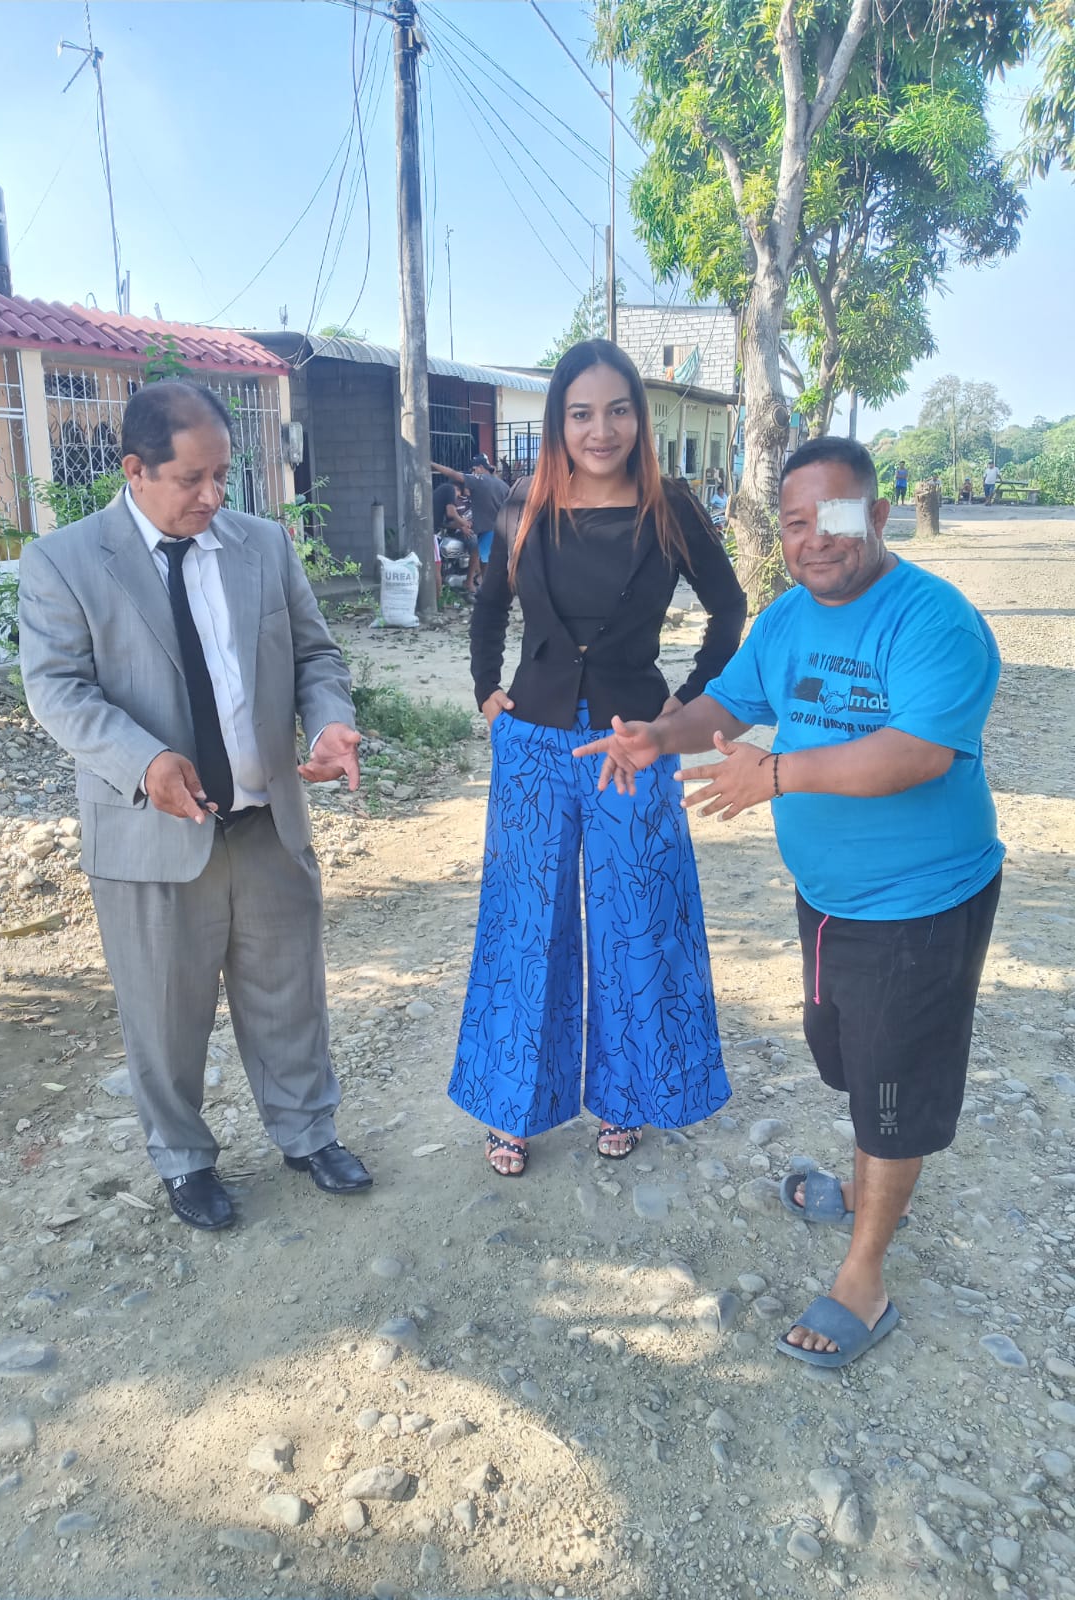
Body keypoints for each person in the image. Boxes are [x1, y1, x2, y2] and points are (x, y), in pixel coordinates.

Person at [576, 436, 1002, 1368]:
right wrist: (658, 734)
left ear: (878, 517)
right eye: (796, 522)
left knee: (892, 1086)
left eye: (836, 517)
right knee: (850, 1060)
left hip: (922, 903)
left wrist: (775, 775)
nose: (814, 539)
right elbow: (726, 706)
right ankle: (868, 1188)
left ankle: (864, 1277)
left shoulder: (934, 620)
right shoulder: (787, 619)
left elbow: (918, 752)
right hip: (829, 900)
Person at [18, 380, 372, 1232]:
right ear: (135, 470)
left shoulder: (262, 545)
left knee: (289, 995)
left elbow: (317, 657)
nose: (213, 496)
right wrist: (144, 763)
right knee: (164, 1012)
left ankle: (307, 1133)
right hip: (152, 831)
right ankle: (184, 1159)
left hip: (266, 821)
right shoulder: (65, 562)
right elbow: (57, 690)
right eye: (192, 479)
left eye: (223, 475)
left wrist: (330, 723)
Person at [452, 339, 746, 1176]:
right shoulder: (525, 502)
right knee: (524, 923)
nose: (601, 429)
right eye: (581, 413)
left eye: (618, 410)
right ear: (559, 421)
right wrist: (486, 689)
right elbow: (489, 605)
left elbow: (729, 607)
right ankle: (513, 1107)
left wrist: (685, 702)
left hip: (634, 743)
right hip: (533, 740)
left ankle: (626, 1096)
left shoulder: (669, 507)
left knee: (636, 919)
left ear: (638, 419)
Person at [432, 454, 510, 593]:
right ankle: (486, 588)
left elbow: (453, 474)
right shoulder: (503, 485)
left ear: (480, 468)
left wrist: (433, 465)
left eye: (474, 469)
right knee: (488, 560)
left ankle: (476, 586)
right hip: (497, 529)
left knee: (483, 558)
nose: (473, 473)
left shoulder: (479, 479)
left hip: (483, 530)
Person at [433, 475, 476, 597]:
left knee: (437, 566)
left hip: (435, 531)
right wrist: (464, 524)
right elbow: (451, 513)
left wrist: (462, 525)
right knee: (436, 567)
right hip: (432, 533)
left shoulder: (443, 491)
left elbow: (444, 520)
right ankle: (438, 600)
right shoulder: (450, 489)